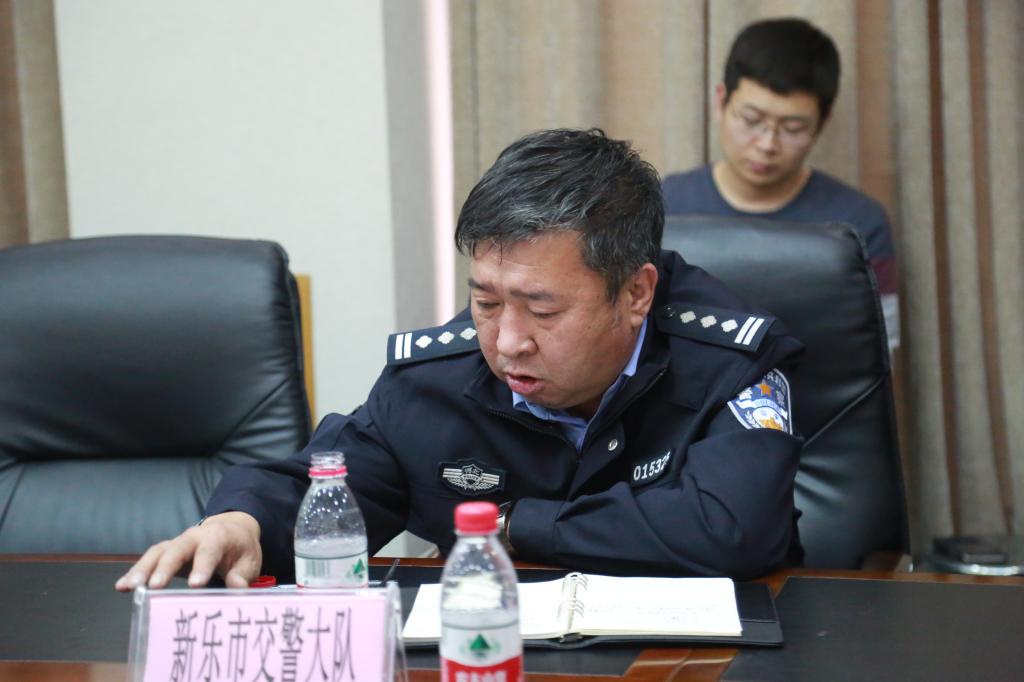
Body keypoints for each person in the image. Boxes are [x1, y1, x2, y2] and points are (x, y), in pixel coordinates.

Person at [116, 128, 804, 593]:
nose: (506, 342)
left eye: (542, 310)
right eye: (486, 301)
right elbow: (332, 486)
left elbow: (736, 530)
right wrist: (241, 522)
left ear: (635, 294)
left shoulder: (728, 360)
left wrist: (513, 525)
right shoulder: (438, 380)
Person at [661, 18, 899, 350]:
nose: (767, 144)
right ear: (720, 101)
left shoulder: (858, 223)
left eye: (792, 128)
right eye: (751, 120)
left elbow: (879, 354)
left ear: (822, 123)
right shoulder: (665, 205)